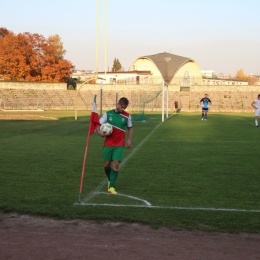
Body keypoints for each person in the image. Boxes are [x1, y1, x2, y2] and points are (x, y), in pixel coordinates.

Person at [97, 97, 133, 194]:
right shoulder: (108, 114)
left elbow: (130, 128)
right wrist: (99, 132)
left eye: (124, 108)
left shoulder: (127, 116)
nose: (123, 109)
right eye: (122, 107)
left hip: (119, 144)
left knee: (116, 164)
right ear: (118, 104)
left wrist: (129, 140)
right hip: (108, 143)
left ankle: (111, 187)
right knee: (106, 165)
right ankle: (110, 180)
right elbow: (97, 124)